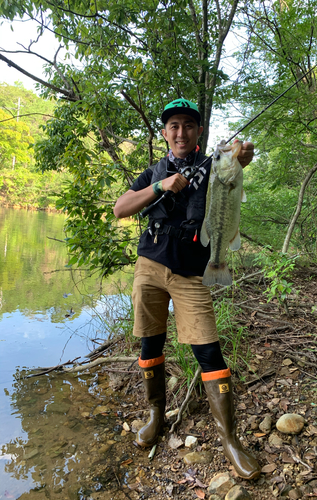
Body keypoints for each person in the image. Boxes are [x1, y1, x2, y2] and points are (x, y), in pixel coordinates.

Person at [113, 98, 260, 480]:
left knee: (208, 350)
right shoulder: (153, 172)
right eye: (174, 125)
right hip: (150, 266)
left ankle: (230, 440)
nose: (181, 132)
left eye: (188, 125)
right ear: (165, 133)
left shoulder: (213, 166)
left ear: (198, 132)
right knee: (150, 342)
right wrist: (160, 185)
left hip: (194, 272)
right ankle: (155, 415)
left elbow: (237, 163)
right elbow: (121, 208)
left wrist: (241, 154)